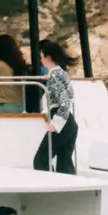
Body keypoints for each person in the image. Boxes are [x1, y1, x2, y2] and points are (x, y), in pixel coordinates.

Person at [32, 40, 78, 174]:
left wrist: (56, 122)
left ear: (48, 58)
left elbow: (65, 101)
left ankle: (50, 184)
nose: (41, 60)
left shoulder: (54, 76)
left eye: (41, 57)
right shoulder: (60, 73)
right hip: (70, 123)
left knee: (40, 161)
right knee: (64, 163)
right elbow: (69, 96)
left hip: (61, 121)